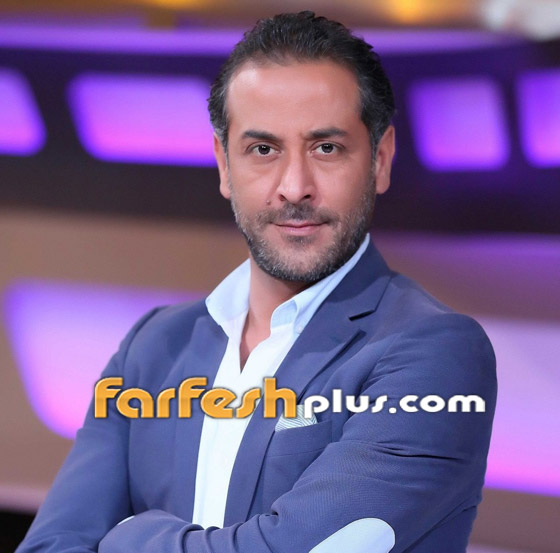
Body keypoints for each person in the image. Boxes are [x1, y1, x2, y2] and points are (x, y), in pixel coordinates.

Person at [16, 11, 497, 553]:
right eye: (263, 150)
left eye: (326, 147)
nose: (294, 187)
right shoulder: (152, 347)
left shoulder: (435, 354)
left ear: (380, 160)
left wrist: (130, 537)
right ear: (224, 165)